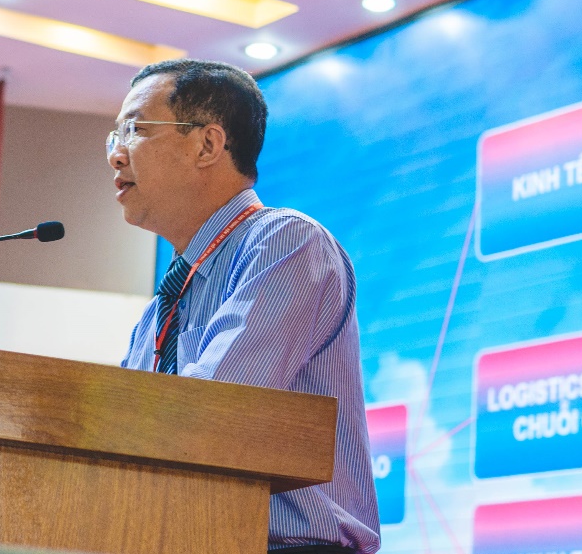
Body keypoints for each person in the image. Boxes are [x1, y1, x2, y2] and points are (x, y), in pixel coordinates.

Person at [108, 58, 380, 553]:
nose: (116, 154)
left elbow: (211, 412)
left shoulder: (285, 243)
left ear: (207, 145)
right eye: (115, 136)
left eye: (136, 129)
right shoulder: (162, 307)